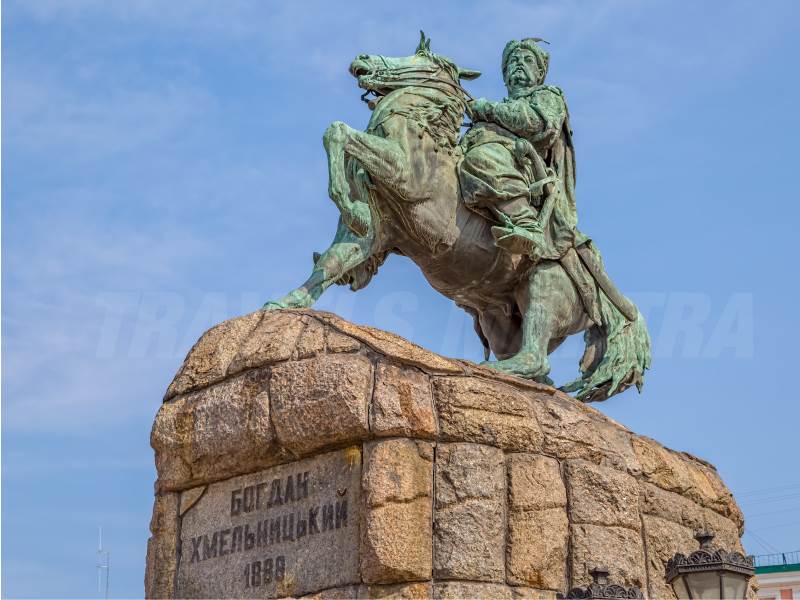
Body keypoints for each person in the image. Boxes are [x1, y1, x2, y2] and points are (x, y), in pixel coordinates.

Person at [460, 37, 588, 261]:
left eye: (528, 60)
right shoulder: (495, 110)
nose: (519, 63)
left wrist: (487, 109)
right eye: (513, 61)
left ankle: (526, 224)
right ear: (505, 75)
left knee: (482, 158)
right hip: (488, 168)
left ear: (539, 74)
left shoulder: (547, 96)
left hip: (525, 169)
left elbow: (538, 124)